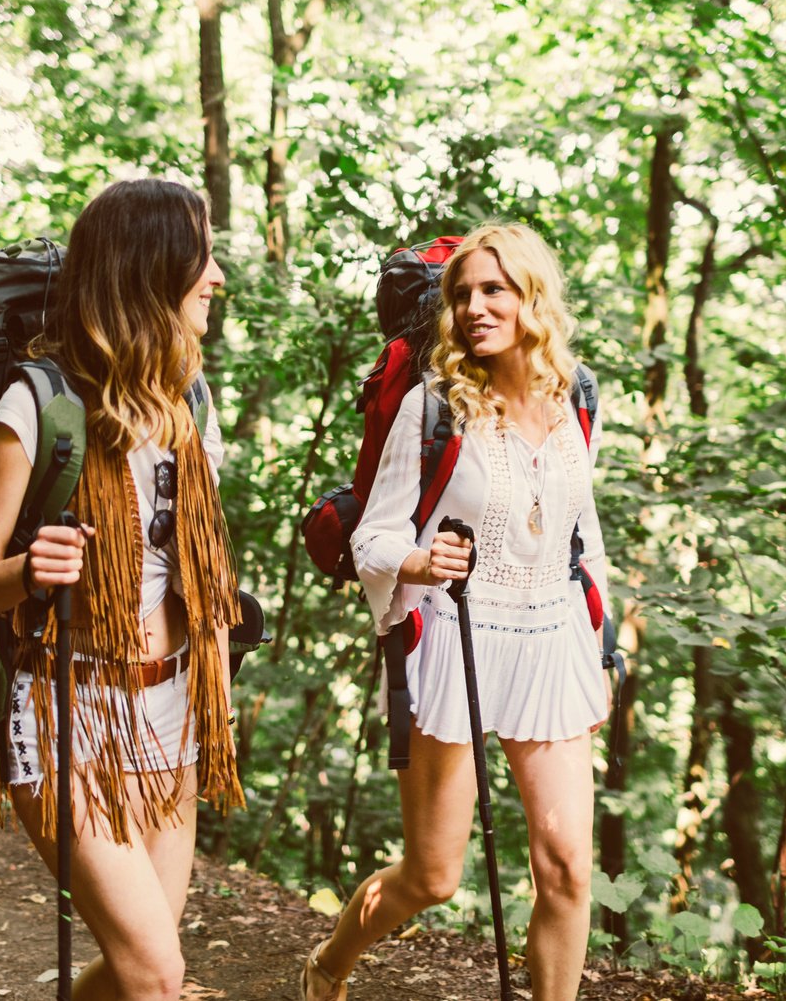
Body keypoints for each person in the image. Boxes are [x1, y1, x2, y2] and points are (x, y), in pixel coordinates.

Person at [302, 221, 614, 1001]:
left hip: (550, 642)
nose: (475, 306)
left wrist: (602, 634)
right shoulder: (434, 405)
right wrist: (418, 559)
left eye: (494, 290)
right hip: (453, 638)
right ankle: (330, 961)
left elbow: (581, 524)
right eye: (464, 293)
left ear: (532, 296)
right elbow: (374, 533)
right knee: (433, 875)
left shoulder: (574, 395)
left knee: (569, 866)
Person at [0, 178, 241, 1001]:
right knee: (157, 972)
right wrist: (27, 570)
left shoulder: (190, 400)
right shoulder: (37, 403)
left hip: (171, 711)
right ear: (150, 270)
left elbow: (192, 564)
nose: (216, 276)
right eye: (202, 257)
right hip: (64, 713)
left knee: (132, 970)